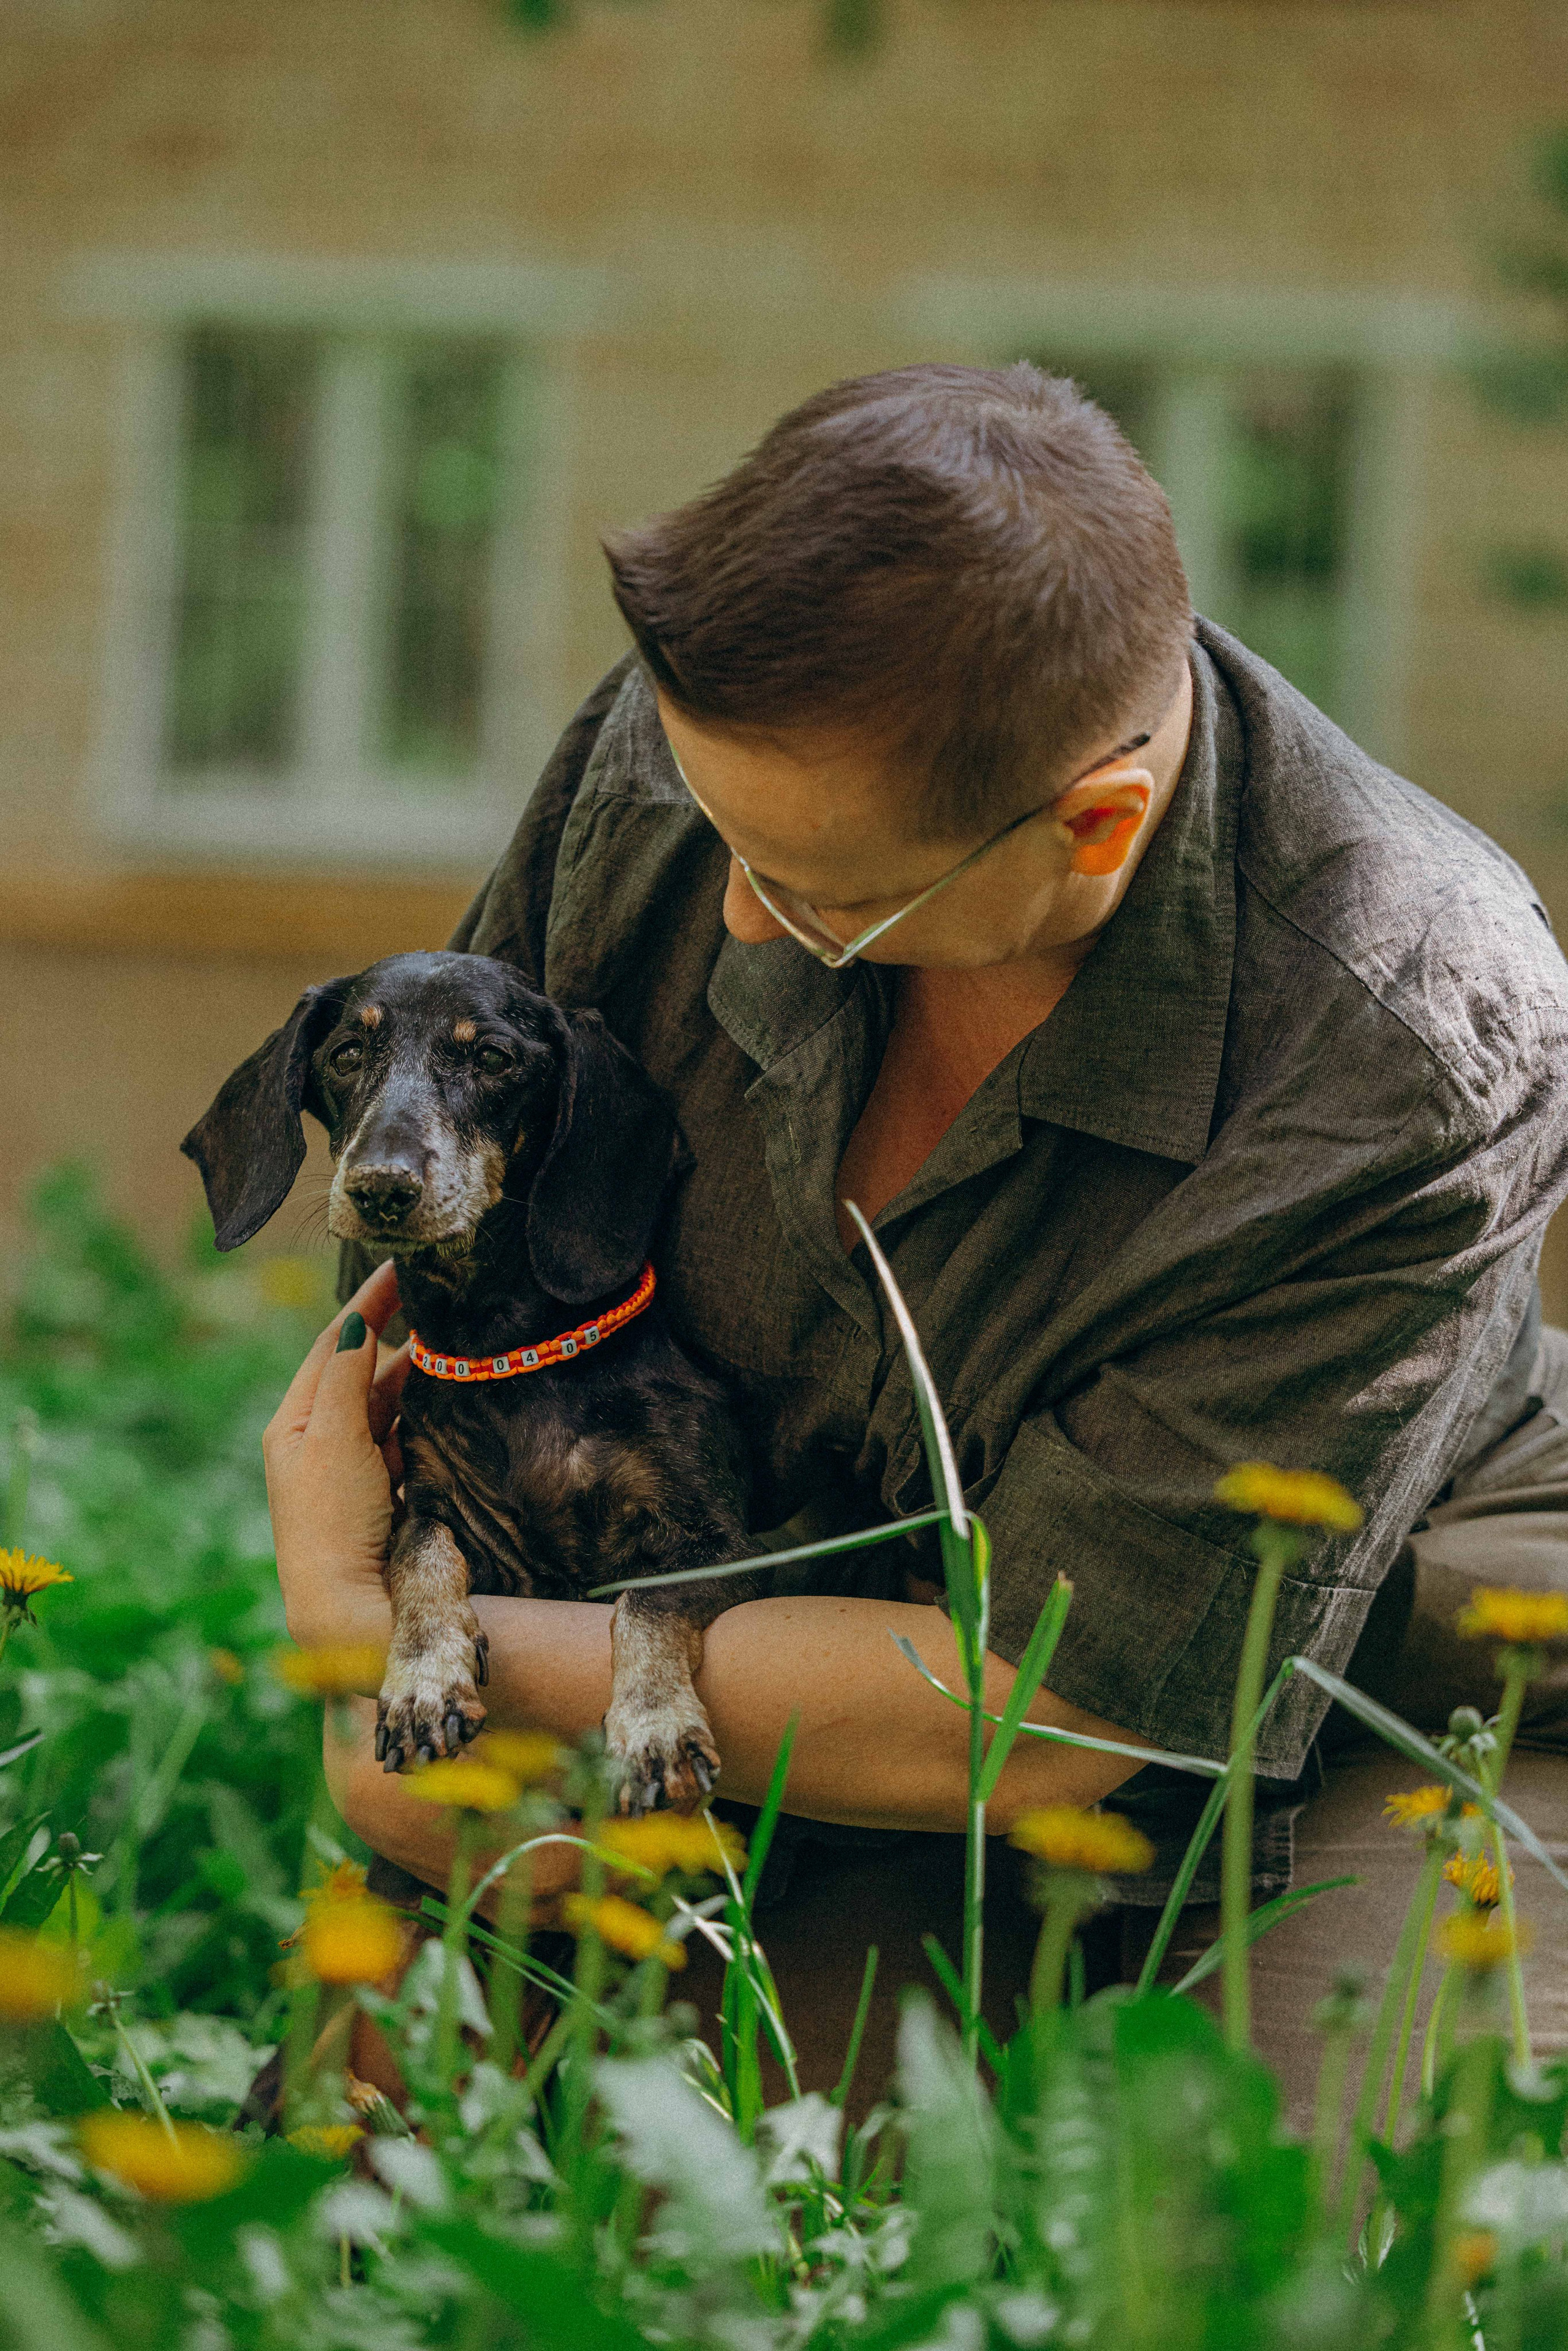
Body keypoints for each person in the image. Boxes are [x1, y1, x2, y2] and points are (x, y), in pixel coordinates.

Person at [266, 363, 1568, 2121]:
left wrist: (407, 1641)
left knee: (1269, 2229)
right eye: (716, 832)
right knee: (407, 2182)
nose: (726, 911)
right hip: (755, 1627)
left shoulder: (1408, 1035)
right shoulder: (719, 767)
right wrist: (390, 1612)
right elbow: (449, 1272)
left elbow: (1054, 1717)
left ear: (1093, 825)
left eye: (812, 894)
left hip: (1331, 1693)